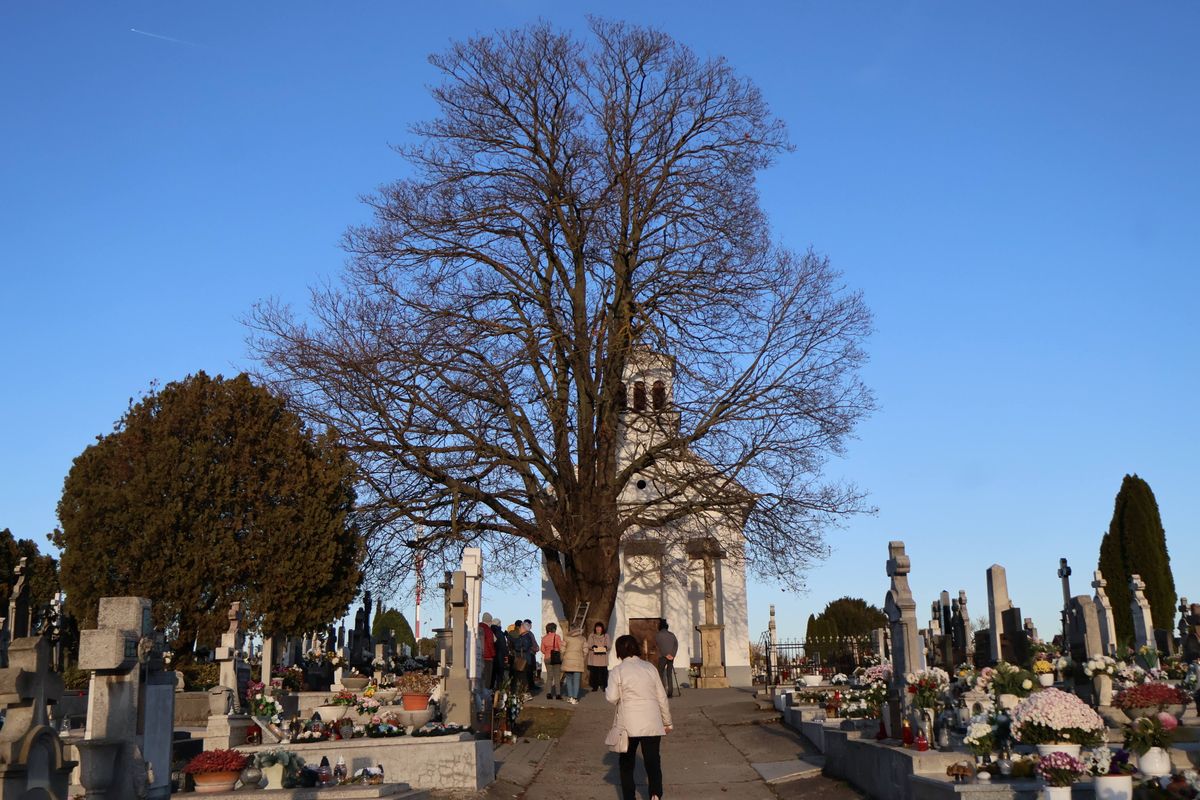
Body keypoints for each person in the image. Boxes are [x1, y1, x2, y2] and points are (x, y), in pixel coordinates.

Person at [607, 634, 672, 800]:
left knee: (627, 763)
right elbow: (661, 697)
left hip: (628, 724)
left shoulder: (618, 671)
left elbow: (612, 697)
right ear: (636, 648)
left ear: (619, 651)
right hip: (652, 721)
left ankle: (629, 797)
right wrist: (667, 722)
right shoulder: (650, 668)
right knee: (652, 762)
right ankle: (655, 795)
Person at [561, 624, 586, 704]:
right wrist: (583, 657)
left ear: (570, 629)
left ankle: (570, 696)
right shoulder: (582, 639)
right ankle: (575, 698)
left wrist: (564, 656)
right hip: (578, 661)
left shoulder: (566, 638)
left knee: (568, 679)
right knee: (576, 680)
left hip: (568, 661)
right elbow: (585, 650)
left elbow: (562, 649)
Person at [654, 619, 679, 698]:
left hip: (662, 656)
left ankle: (662, 691)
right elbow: (676, 644)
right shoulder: (672, 634)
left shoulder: (658, 635)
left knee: (660, 673)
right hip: (671, 657)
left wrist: (666, 654)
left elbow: (659, 646)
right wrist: (672, 654)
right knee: (669, 674)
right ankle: (670, 692)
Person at [540, 622, 565, 700]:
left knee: (549, 677)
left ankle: (549, 694)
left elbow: (542, 650)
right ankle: (558, 694)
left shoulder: (544, 638)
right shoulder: (557, 637)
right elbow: (560, 647)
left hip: (547, 658)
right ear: (554, 629)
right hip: (556, 658)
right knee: (557, 677)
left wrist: (547, 652)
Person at [587, 621, 610, 692]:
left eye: (599, 627)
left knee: (604, 672)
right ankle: (594, 686)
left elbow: (609, 645)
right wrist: (592, 646)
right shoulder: (592, 635)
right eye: (597, 627)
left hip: (602, 656)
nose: (598, 629)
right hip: (594, 657)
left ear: (602, 628)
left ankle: (605, 686)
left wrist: (606, 647)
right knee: (594, 673)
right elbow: (589, 644)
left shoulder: (606, 635)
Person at [520, 620, 540, 693]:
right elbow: (531, 644)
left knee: (530, 671)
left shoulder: (526, 634)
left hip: (530, 654)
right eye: (530, 624)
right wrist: (536, 648)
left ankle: (531, 685)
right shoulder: (528, 634)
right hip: (530, 654)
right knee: (529, 671)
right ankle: (530, 686)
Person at [479, 612, 496, 692]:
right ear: (489, 621)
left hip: (478, 656)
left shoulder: (477, 627)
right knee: (487, 677)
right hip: (488, 656)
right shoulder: (488, 630)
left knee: (480, 676)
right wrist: (493, 654)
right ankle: (486, 694)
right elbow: (490, 643)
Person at [490, 617, 508, 692]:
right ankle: (499, 691)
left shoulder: (490, 631)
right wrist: (506, 655)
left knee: (492, 675)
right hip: (500, 657)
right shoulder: (500, 633)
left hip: (492, 657)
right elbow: (503, 646)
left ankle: (490, 690)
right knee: (500, 676)